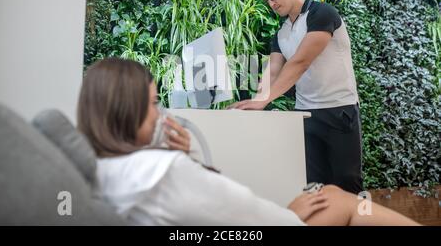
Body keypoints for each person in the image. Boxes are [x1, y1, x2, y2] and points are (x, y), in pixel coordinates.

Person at [77, 57, 418, 226]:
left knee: (327, 193)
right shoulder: (161, 172)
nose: (159, 113)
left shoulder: (110, 169)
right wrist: (289, 215)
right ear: (126, 110)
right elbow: (244, 213)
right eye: (153, 103)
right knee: (335, 198)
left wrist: (181, 155)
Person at [229, 0, 363, 194]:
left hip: (339, 110)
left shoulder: (322, 14)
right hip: (306, 113)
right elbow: (272, 72)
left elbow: (300, 62)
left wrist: (264, 101)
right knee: (314, 187)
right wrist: (253, 102)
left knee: (347, 185)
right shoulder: (281, 33)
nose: (271, 3)